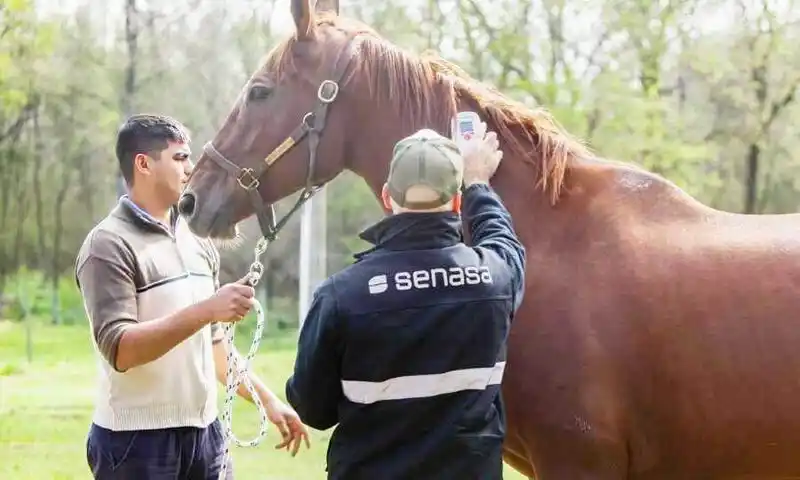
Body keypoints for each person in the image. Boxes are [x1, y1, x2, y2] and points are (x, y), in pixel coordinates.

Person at [75, 114, 310, 480]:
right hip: (135, 444)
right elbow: (121, 350)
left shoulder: (197, 241)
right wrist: (206, 310)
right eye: (180, 158)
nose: (191, 168)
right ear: (144, 164)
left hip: (206, 437)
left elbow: (213, 346)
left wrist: (269, 401)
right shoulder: (107, 245)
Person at [285, 125, 526, 479]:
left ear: (386, 197)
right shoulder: (496, 277)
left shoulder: (340, 295)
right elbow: (503, 239)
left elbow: (313, 410)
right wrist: (478, 183)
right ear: (457, 203)